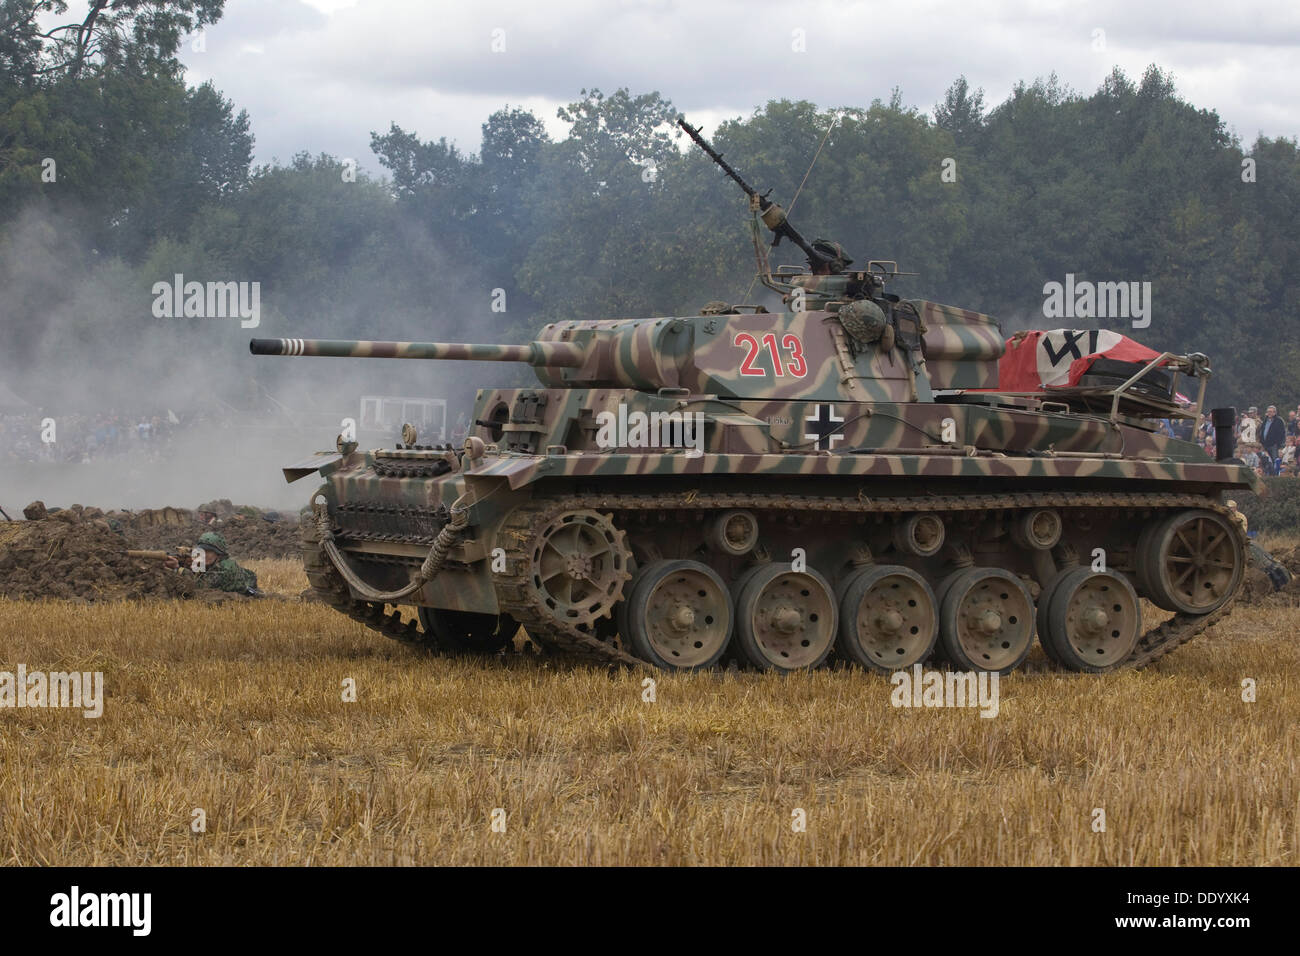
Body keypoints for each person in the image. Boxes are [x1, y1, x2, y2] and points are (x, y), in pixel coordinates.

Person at [165, 531, 260, 594]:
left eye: (209, 552)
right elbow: (201, 573)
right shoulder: (214, 563)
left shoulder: (224, 568)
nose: (204, 555)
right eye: (202, 551)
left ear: (219, 553)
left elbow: (199, 587)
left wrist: (178, 569)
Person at [1261, 405, 1286, 473]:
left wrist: (1280, 446)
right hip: (1265, 445)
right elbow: (1262, 431)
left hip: (1274, 445)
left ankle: (1275, 476)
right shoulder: (1265, 420)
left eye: (1271, 412)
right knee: (1266, 462)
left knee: (1275, 461)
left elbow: (1282, 434)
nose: (1269, 413)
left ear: (1275, 413)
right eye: (1268, 412)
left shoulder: (1279, 421)